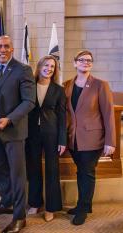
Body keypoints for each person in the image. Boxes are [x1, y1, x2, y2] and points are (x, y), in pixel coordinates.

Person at [0, 35, 36, 233]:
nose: (2, 50)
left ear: (12, 49)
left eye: (6, 46)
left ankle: (20, 217)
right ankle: (6, 202)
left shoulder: (23, 70)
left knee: (17, 175)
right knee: (1, 171)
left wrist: (9, 119)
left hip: (14, 131)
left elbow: (29, 101)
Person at [64, 50, 115, 225]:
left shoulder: (101, 85)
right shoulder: (67, 85)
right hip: (74, 138)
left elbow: (108, 114)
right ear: (75, 63)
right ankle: (84, 205)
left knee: (87, 172)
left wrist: (110, 142)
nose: (85, 62)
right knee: (82, 172)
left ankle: (83, 209)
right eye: (82, 60)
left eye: (89, 60)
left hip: (93, 139)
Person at [25, 55, 66, 222]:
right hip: (32, 133)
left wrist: (62, 140)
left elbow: (62, 116)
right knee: (33, 168)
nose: (49, 68)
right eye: (46, 65)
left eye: (52, 66)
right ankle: (35, 203)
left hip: (52, 134)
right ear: (39, 66)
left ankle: (51, 207)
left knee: (52, 170)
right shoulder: (29, 86)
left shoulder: (59, 89)